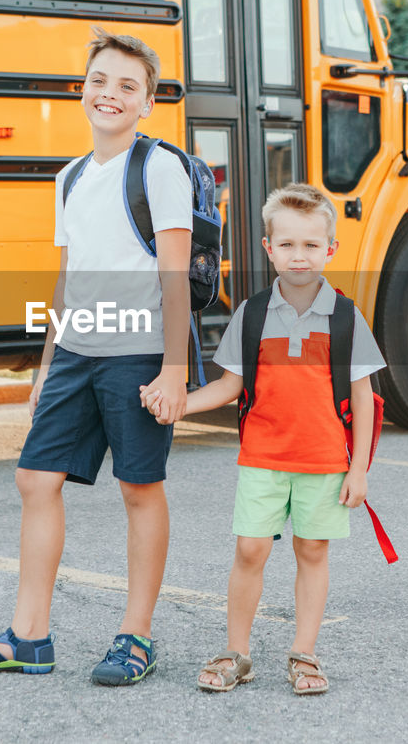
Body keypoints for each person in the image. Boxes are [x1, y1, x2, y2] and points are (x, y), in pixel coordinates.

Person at [0, 27, 193, 686]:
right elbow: (68, 275)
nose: (110, 94)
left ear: (147, 102)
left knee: (140, 488)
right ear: (81, 90)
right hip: (78, 349)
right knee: (35, 478)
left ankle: (135, 635)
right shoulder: (70, 177)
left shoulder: (160, 167)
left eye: (127, 86)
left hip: (138, 350)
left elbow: (174, 273)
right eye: (100, 81)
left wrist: (175, 368)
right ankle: (28, 637)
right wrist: (47, 364)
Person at [143, 183, 386, 695]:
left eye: (312, 245)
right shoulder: (251, 315)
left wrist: (359, 469)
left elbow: (363, 399)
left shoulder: (346, 318)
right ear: (268, 248)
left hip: (325, 462)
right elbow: (230, 386)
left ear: (331, 250)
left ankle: (304, 653)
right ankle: (238, 652)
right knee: (251, 550)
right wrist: (179, 403)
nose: (300, 256)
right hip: (262, 458)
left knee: (312, 550)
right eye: (289, 245)